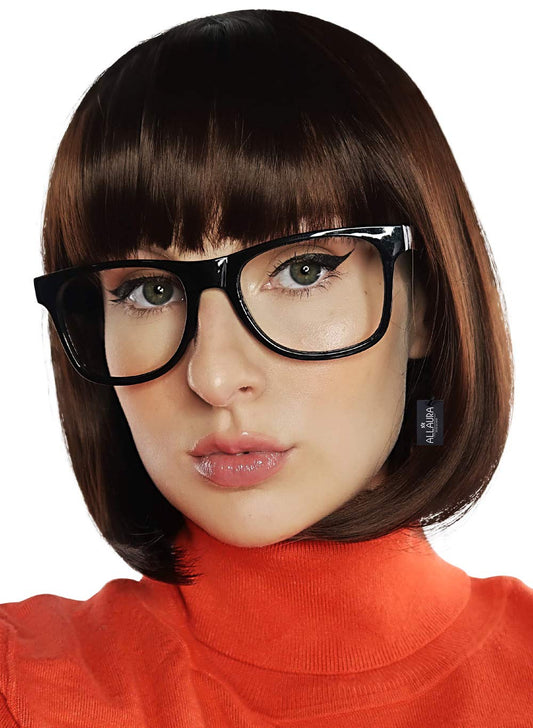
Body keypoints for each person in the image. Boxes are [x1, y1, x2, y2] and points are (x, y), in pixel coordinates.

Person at [1, 9, 531, 726]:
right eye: (149, 290)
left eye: (303, 270)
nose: (214, 378)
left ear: (426, 308)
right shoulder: (24, 687)